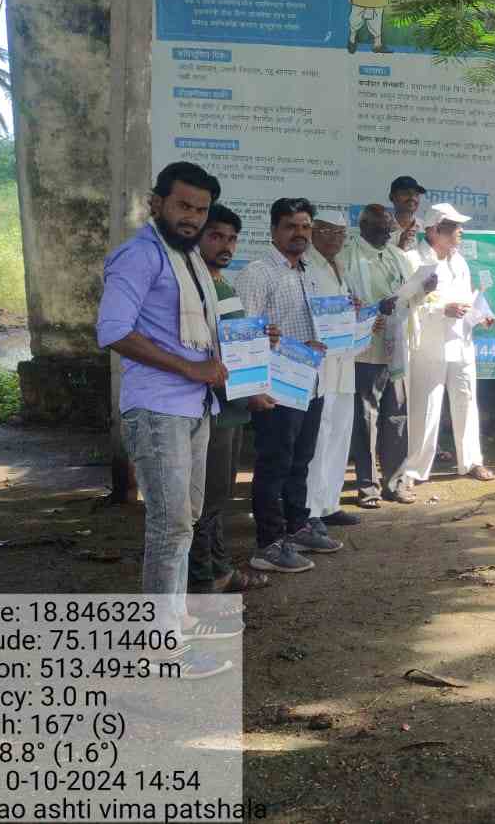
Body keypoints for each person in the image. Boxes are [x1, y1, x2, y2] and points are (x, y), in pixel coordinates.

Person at [97, 160, 233, 676]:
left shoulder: (188, 257)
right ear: (156, 203)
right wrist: (192, 368)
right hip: (158, 408)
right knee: (171, 525)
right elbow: (113, 330)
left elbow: (196, 331)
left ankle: (174, 621)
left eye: (201, 209)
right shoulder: (138, 256)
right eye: (183, 205)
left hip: (195, 406)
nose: (192, 217)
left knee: (185, 521)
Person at [236, 198, 344, 573]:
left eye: (305, 226)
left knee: (300, 461)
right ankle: (268, 544)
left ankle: (297, 528)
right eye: (290, 226)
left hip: (308, 383)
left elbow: (306, 326)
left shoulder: (308, 272)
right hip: (275, 388)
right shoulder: (258, 273)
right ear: (273, 231)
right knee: (274, 465)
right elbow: (244, 334)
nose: (299, 233)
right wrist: (252, 389)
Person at [190, 204, 270, 592]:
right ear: (198, 237)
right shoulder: (196, 288)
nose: (226, 245)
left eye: (232, 238)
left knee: (220, 495)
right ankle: (205, 576)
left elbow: (233, 345)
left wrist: (261, 339)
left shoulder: (223, 284)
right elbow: (205, 355)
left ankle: (219, 568)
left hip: (235, 408)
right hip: (216, 407)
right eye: (216, 236)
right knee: (207, 497)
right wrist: (244, 393)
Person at [341, 203, 432, 507]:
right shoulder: (347, 257)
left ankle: (396, 482)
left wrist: (424, 289)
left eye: (389, 229)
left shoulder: (397, 255)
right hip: (366, 350)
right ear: (364, 227)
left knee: (397, 415)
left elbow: (410, 296)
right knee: (366, 418)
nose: (386, 234)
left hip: (398, 348)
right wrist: (375, 310)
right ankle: (368, 487)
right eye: (381, 229)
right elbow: (344, 303)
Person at [401, 206, 495, 487]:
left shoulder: (460, 262)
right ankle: (415, 469)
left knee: (466, 400)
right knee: (425, 407)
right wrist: (442, 310)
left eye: (460, 226)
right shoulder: (412, 260)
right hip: (428, 346)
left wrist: (482, 314)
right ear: (434, 231)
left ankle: (471, 461)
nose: (461, 231)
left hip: (461, 342)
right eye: (455, 226)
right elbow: (404, 304)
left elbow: (469, 299)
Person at [304, 217, 362, 529]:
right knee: (319, 435)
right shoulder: (306, 266)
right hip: (320, 361)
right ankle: (310, 509)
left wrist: (355, 308)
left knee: (340, 431)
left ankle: (330, 502)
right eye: (329, 232)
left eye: (341, 233)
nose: (336, 238)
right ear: (314, 232)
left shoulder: (340, 265)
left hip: (344, 360)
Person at [390, 175, 435, 253]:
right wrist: (400, 246)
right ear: (392, 197)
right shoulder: (382, 228)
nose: (412, 198)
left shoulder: (426, 229)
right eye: (406, 193)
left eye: (416, 194)